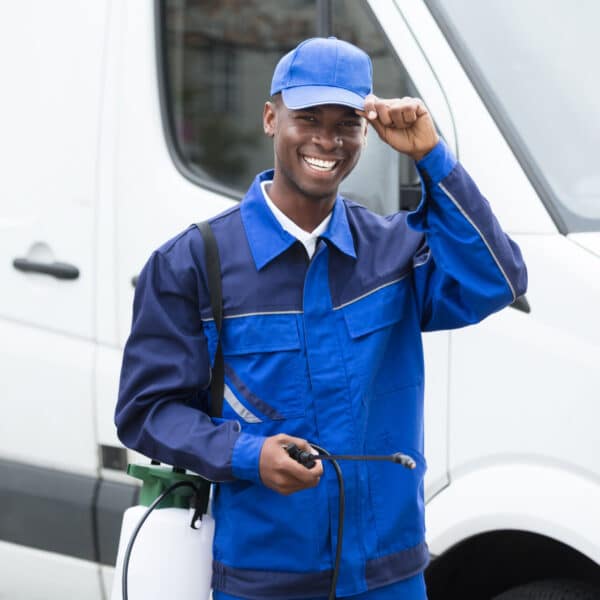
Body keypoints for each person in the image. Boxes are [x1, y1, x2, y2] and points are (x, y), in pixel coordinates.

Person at [116, 37, 527, 600]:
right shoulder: (191, 264)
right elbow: (148, 412)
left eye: (346, 124)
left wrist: (433, 157)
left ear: (366, 132)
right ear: (270, 118)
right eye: (307, 118)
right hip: (263, 581)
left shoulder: (394, 253)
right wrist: (247, 456)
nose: (326, 140)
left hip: (391, 577)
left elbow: (499, 280)